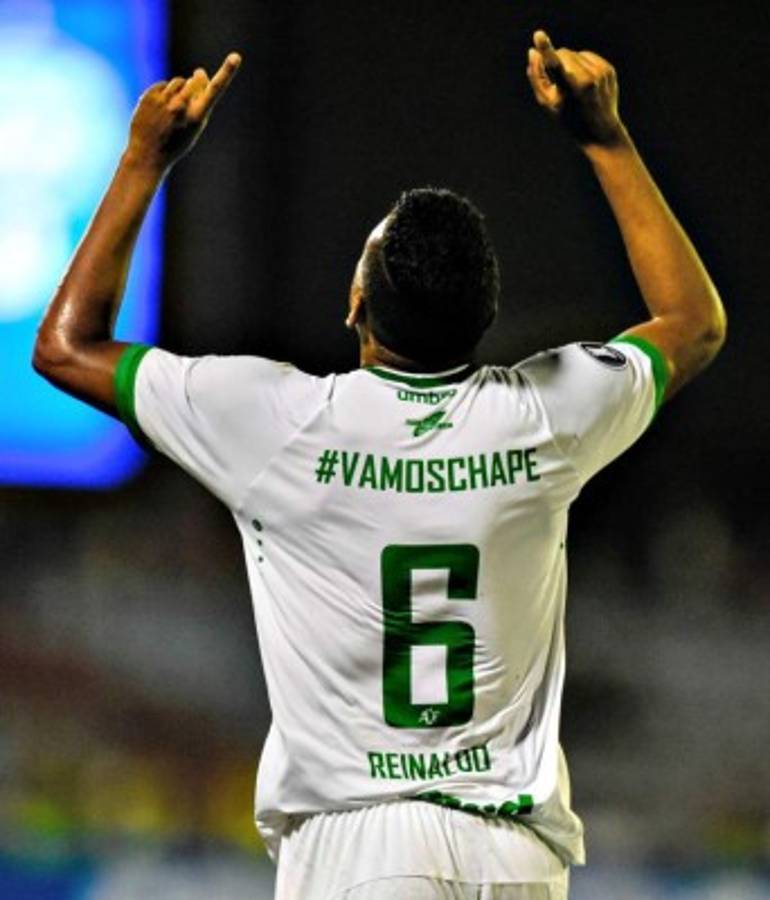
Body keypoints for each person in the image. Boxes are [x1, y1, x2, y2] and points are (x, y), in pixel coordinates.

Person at [33, 27, 725, 900]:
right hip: (516, 857)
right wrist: (606, 138)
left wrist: (143, 160)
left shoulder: (279, 422)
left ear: (358, 302)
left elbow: (66, 348)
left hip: (359, 850)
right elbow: (692, 322)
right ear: (485, 314)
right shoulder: (546, 415)